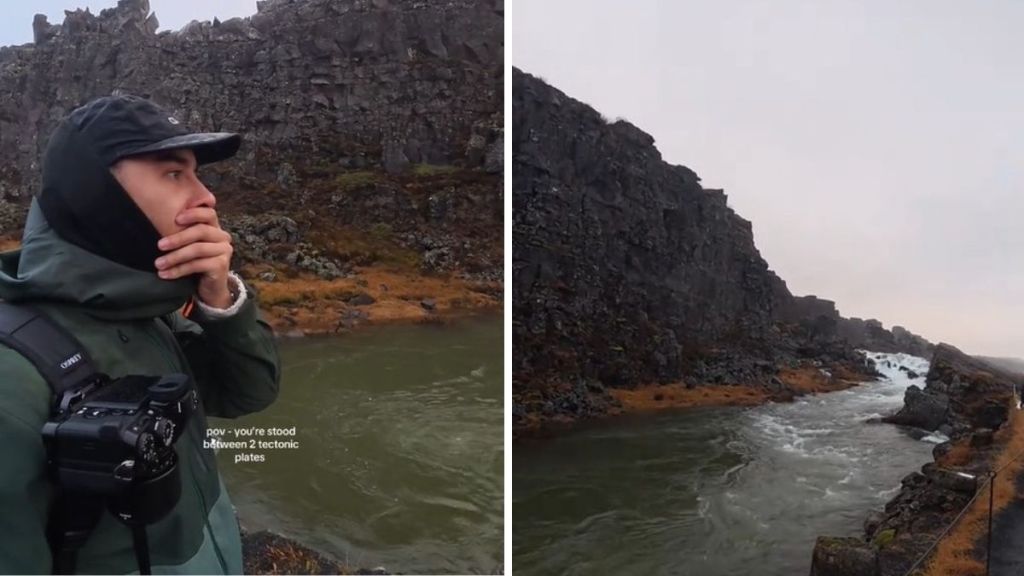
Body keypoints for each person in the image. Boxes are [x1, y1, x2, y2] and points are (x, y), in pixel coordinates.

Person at [0, 94, 281, 574]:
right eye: (174, 173)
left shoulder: (154, 311)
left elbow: (247, 395)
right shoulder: (12, 376)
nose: (206, 196)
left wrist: (219, 298)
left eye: (197, 172)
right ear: (95, 193)